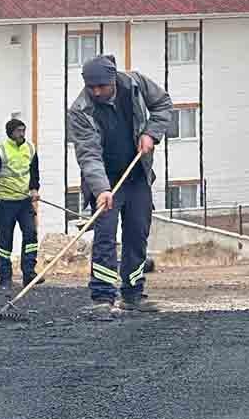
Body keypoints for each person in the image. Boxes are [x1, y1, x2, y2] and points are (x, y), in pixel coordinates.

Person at [67, 55, 172, 314]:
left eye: (101, 86)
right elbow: (88, 154)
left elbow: (163, 104)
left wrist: (150, 133)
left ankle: (133, 294)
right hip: (105, 180)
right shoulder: (80, 110)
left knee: (137, 233)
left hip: (137, 174)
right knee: (105, 236)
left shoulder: (135, 85)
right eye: (91, 87)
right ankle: (102, 297)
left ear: (113, 80)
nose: (96, 91)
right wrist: (101, 189)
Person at [0, 118, 42, 290]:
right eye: (18, 131)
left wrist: (34, 189)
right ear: (10, 133)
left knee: (31, 235)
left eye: (23, 130)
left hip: (24, 202)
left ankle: (29, 273)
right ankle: (5, 278)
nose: (22, 134)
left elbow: (34, 172)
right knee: (5, 240)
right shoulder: (0, 151)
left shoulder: (30, 148)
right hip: (5, 202)